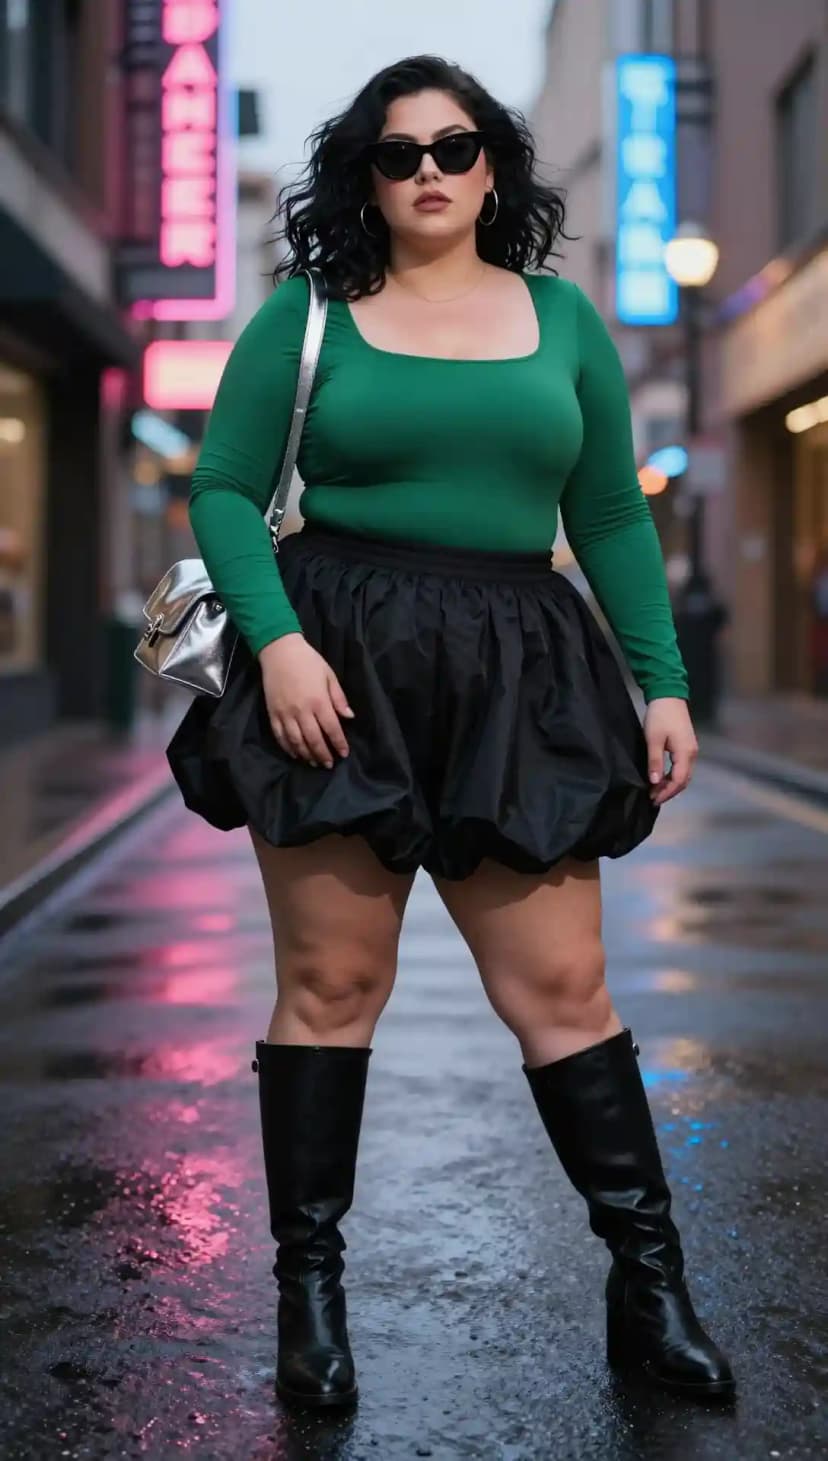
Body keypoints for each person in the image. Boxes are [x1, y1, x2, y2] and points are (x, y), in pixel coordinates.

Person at [167, 55, 734, 1408]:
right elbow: (228, 490)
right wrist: (284, 644)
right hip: (337, 660)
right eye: (398, 151)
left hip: (519, 663)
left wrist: (661, 678)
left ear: (496, 169)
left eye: (457, 147)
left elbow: (606, 512)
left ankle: (648, 1289)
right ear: (365, 172)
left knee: (562, 992)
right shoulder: (308, 313)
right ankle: (312, 1302)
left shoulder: (563, 318)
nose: (429, 170)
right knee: (331, 991)